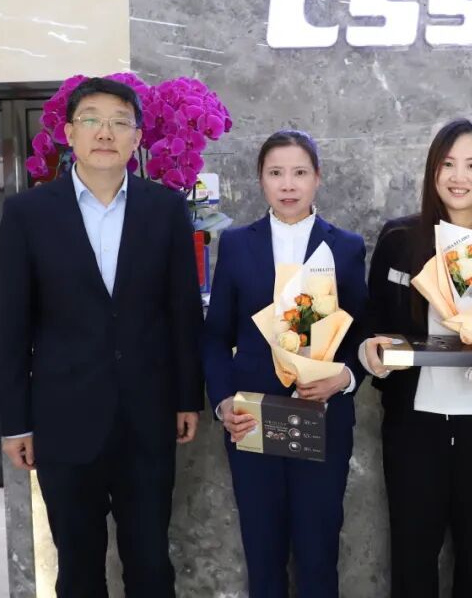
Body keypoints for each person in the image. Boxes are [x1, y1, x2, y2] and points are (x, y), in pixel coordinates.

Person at [0, 77, 204, 597]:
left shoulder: (165, 209)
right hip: (63, 419)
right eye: (91, 120)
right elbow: (13, 326)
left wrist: (187, 398)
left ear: (137, 138)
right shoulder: (28, 214)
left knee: (151, 563)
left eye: (119, 122)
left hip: (147, 416)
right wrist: (16, 422)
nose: (105, 132)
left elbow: (182, 312)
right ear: (69, 133)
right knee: (78, 567)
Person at [360, 119, 472, 598]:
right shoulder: (400, 239)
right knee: (412, 563)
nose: (459, 177)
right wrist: (371, 350)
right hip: (413, 427)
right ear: (433, 171)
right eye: (448, 164)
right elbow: (373, 318)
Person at [201, 129, 368, 598]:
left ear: (317, 178)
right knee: (263, 555)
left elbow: (362, 335)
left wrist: (344, 377)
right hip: (253, 419)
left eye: (299, 173)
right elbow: (215, 337)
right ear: (261, 179)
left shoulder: (346, 246)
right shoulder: (237, 244)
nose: (288, 184)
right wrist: (223, 403)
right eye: (276, 173)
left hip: (323, 417)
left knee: (318, 556)